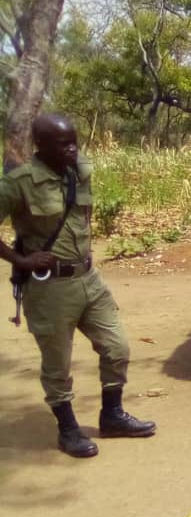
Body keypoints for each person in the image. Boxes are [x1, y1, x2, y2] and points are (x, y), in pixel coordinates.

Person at [0, 114, 156, 457]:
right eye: (63, 144)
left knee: (117, 347)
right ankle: (68, 429)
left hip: (88, 279)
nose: (72, 149)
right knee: (57, 364)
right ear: (40, 145)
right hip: (50, 289)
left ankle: (112, 416)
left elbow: (82, 216)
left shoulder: (78, 172)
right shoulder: (19, 182)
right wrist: (22, 261)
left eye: (74, 141)